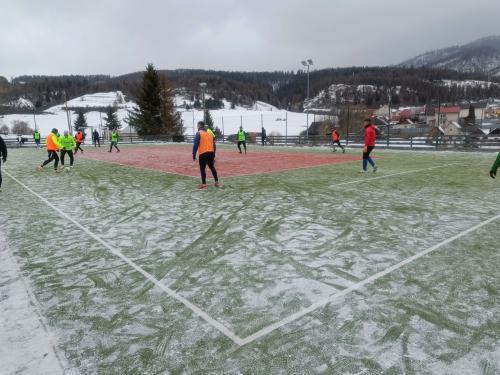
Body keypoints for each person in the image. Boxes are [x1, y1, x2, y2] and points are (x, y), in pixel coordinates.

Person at [193, 121, 219, 189]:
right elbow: (214, 145)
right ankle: (217, 182)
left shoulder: (199, 133)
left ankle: (204, 184)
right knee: (212, 167)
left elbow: (196, 144)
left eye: (197, 125)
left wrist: (194, 153)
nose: (197, 127)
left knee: (202, 168)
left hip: (203, 153)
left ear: (199, 126)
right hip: (211, 153)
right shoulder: (210, 133)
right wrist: (213, 154)